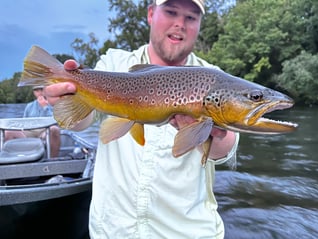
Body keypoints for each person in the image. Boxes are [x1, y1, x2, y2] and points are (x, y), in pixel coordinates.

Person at [44, 0, 240, 238]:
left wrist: (214, 133)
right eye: (171, 12)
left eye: (191, 17)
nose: (180, 23)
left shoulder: (214, 78)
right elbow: (81, 121)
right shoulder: (114, 64)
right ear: (150, 14)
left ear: (199, 24)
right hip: (113, 231)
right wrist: (64, 95)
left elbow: (224, 150)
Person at [5, 85, 61, 157]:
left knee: (54, 129)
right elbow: (23, 123)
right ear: (34, 92)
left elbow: (56, 121)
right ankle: (11, 160)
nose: (39, 93)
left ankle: (53, 160)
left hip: (44, 131)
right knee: (8, 132)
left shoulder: (54, 104)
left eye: (41, 90)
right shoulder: (29, 106)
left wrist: (45, 107)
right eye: (36, 90)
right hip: (29, 131)